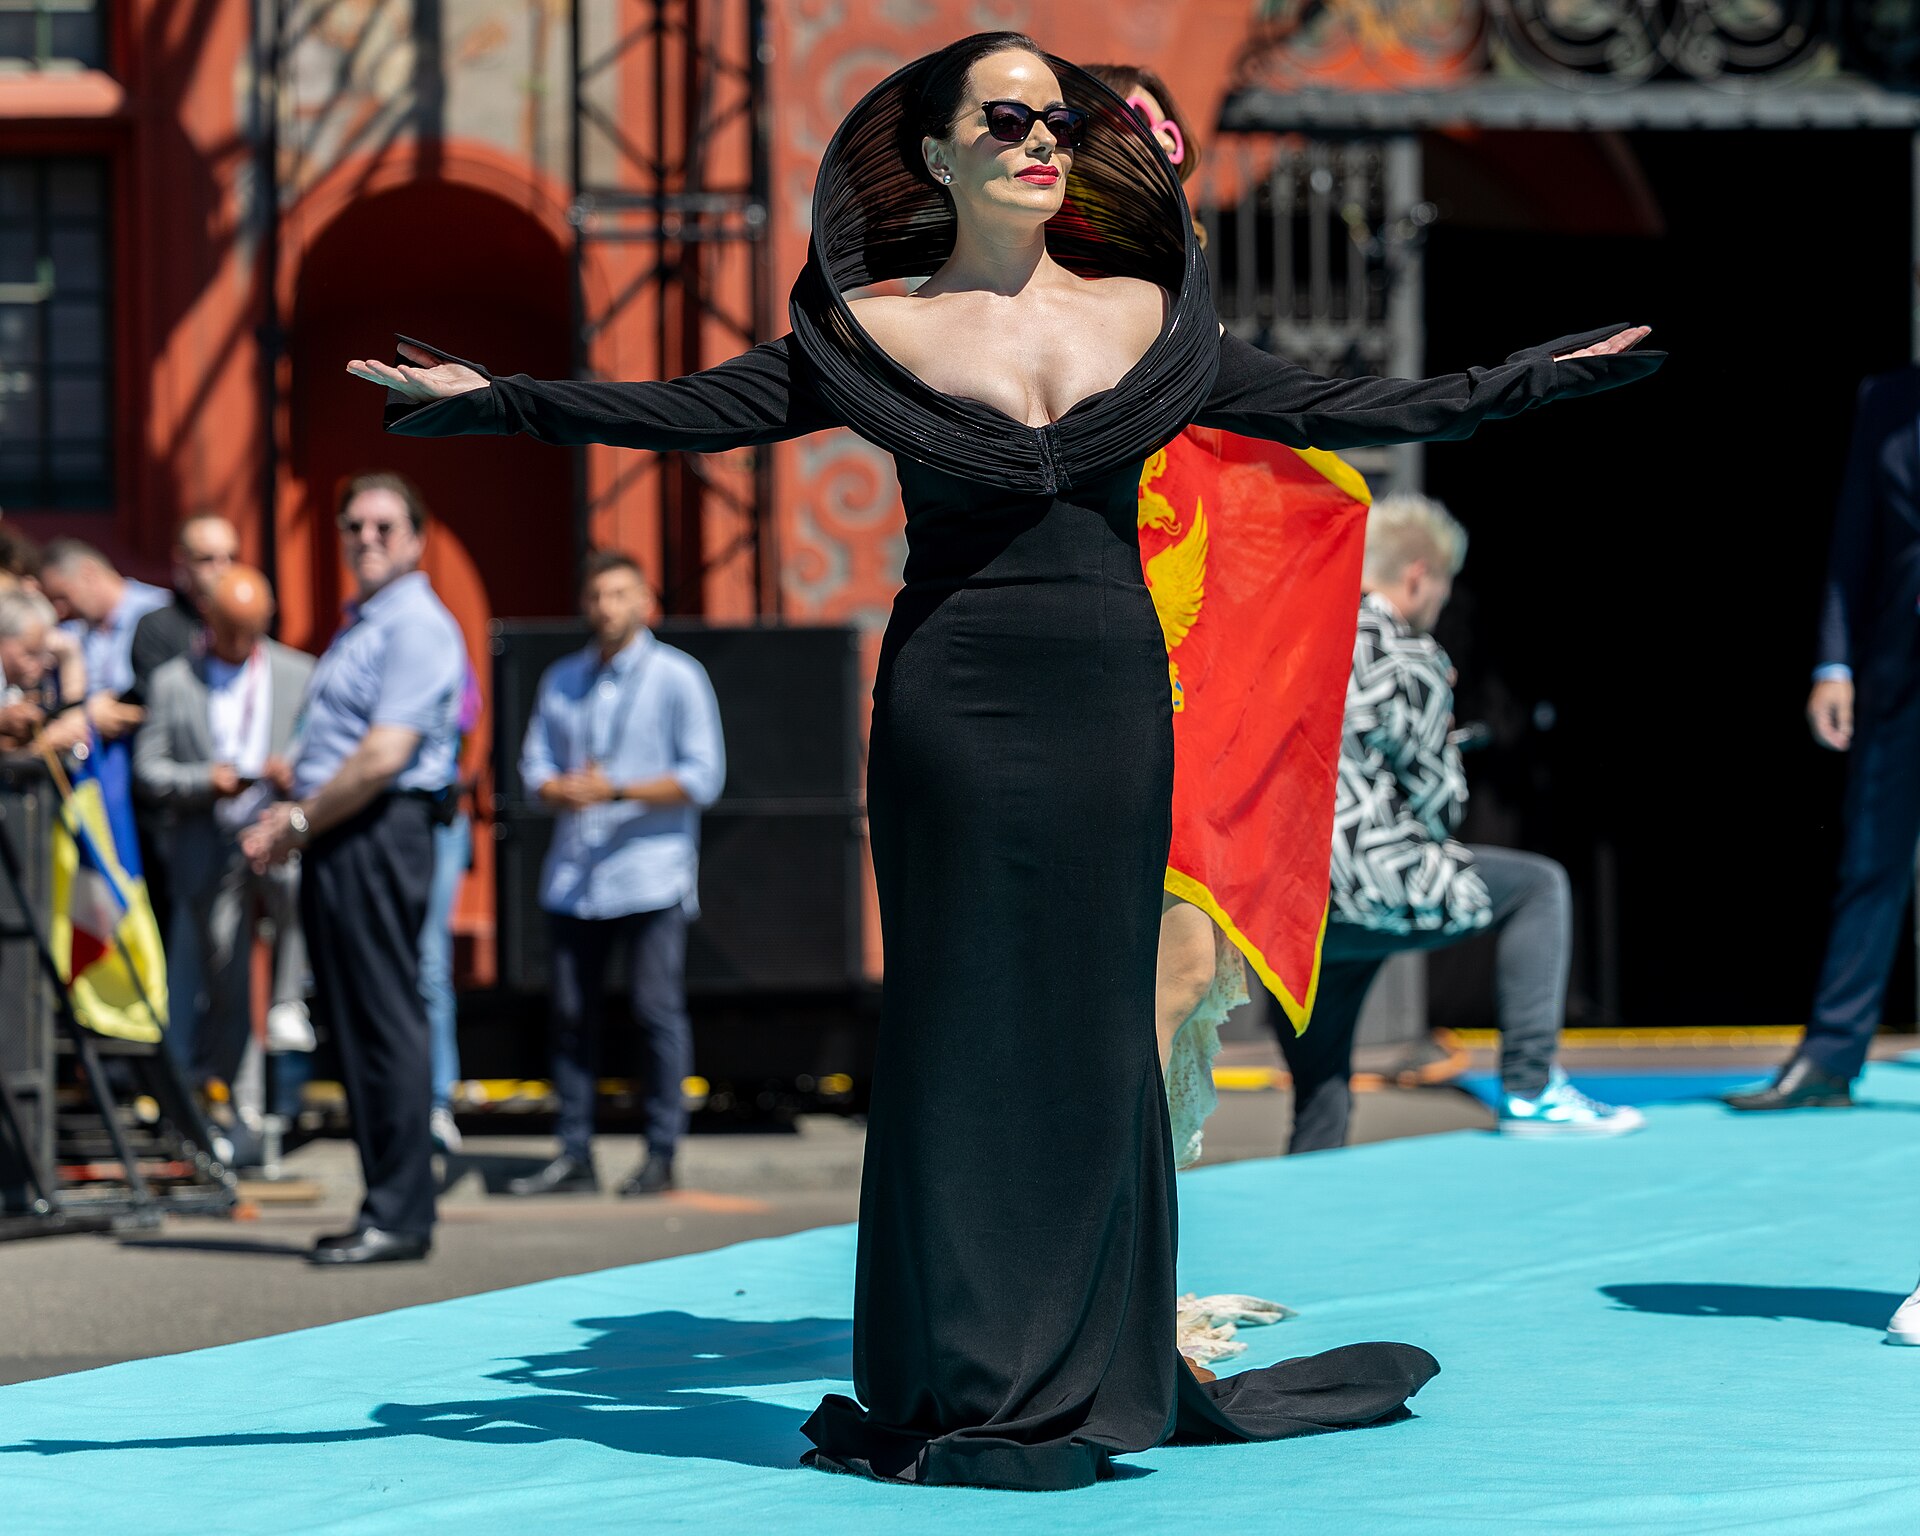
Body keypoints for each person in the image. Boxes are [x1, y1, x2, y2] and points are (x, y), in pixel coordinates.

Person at [351, 33, 1662, 1488]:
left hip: (1110, 705)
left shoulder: (1150, 313)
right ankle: (957, 1364)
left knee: (1099, 1026)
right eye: (1009, 118)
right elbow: (686, 412)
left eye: (1059, 119)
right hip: (949, 708)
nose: (1043, 139)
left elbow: (1345, 408)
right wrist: (498, 400)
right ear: (934, 156)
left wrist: (1523, 383)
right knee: (960, 1027)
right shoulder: (876, 327)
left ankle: (1098, 1362)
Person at [1277, 493, 1643, 1152]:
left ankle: (1312, 1166)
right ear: (1418, 575)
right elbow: (1436, 806)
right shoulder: (1408, 654)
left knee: (1320, 1096)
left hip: (1291, 904)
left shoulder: (1295, 635)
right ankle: (1531, 1088)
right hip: (1376, 884)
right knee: (1538, 887)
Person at [240, 471, 465, 1266]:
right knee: (356, 1021)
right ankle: (385, 1203)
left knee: (383, 1022)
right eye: (353, 528)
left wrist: (298, 820)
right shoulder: (365, 624)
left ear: (415, 538)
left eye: (383, 527)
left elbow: (383, 754)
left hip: (377, 828)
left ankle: (400, 1215)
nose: (365, 540)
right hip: (344, 832)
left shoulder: (417, 626)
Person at [1725, 355, 1920, 1112]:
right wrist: (1833, 663)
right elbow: (1853, 539)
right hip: (1899, 671)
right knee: (1872, 860)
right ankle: (1832, 1058)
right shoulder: (1888, 398)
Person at [506, 550, 724, 1199]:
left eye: (620, 594)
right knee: (572, 1016)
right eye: (598, 595)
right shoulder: (563, 678)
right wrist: (556, 790)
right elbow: (530, 769)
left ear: (645, 603)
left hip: (648, 873)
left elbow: (703, 777)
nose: (607, 607)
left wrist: (617, 789)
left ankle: (661, 1153)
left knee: (657, 1012)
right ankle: (575, 1153)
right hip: (576, 875)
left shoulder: (678, 677)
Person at [132, 565, 313, 1145]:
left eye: (252, 630)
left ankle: (291, 1002)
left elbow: (328, 752)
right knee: (224, 979)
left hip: (276, 830)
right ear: (209, 620)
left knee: (295, 894)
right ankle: (237, 1110)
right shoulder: (173, 682)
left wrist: (294, 775)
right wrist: (205, 780)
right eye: (232, 631)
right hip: (208, 843)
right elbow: (148, 769)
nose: (242, 644)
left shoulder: (296, 673)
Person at [422, 660, 482, 1155]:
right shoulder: (356, 644)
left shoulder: (438, 645)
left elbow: (470, 729)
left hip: (438, 821)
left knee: (429, 962)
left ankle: (437, 1101)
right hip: (379, 821)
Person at [38, 538, 168, 740]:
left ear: (88, 573)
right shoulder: (70, 631)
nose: (59, 610)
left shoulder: (161, 612)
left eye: (62, 596)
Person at [128, 513, 239, 705]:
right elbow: (158, 703)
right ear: (181, 560)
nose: (223, 568)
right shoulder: (156, 627)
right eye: (207, 559)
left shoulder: (245, 619)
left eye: (231, 557)